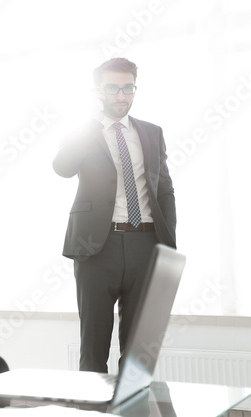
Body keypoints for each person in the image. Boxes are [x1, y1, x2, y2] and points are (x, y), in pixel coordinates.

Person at [53, 57, 176, 373]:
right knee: (93, 346)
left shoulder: (152, 132)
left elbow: (164, 191)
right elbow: (62, 168)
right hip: (97, 246)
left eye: (127, 88)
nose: (121, 96)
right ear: (97, 91)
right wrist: (91, 123)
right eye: (112, 89)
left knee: (139, 351)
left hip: (146, 243)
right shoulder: (83, 130)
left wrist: (168, 246)